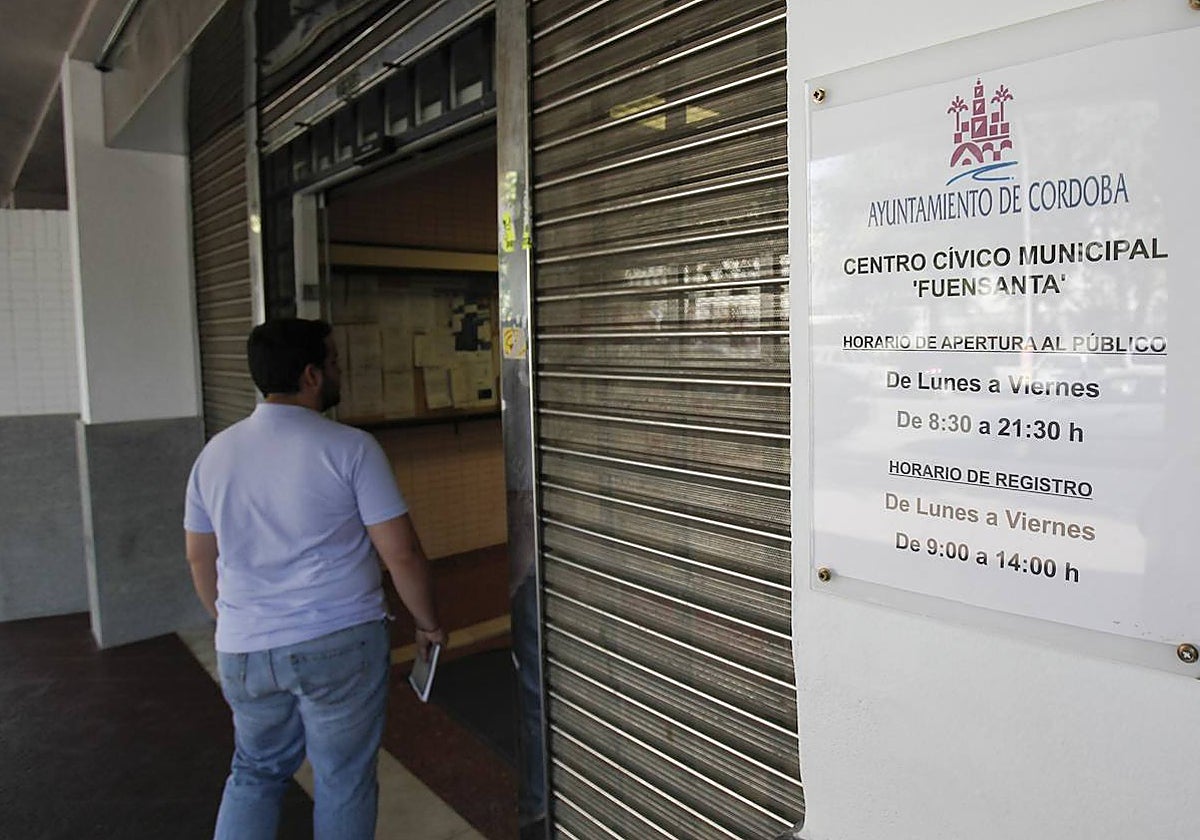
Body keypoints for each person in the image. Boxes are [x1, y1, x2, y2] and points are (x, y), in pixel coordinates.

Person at [183, 317, 447, 839]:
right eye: (334, 362)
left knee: (255, 772)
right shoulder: (351, 448)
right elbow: (402, 553)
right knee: (343, 779)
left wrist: (235, 622)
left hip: (244, 647)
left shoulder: (214, 454)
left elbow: (198, 558)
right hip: (339, 641)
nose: (340, 371)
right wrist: (428, 622)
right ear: (310, 375)